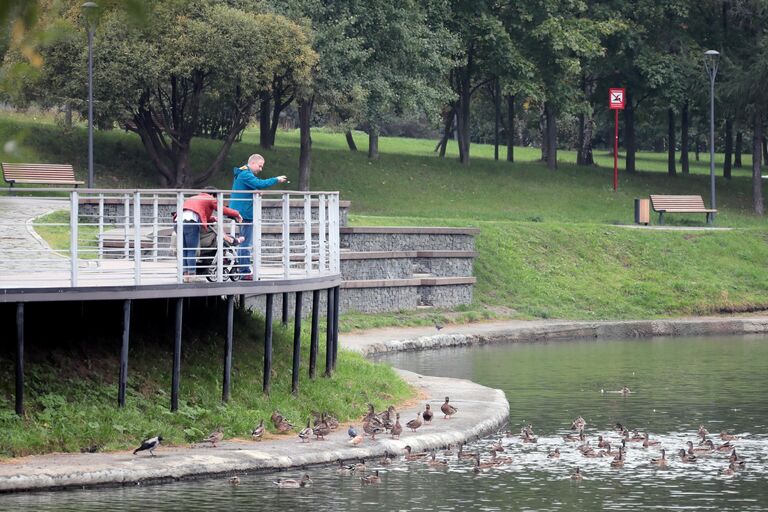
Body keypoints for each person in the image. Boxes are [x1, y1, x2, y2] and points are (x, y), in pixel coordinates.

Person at [229, 154, 288, 280]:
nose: (261, 169)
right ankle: (244, 271)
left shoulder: (242, 173)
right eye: (260, 166)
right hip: (245, 213)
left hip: (240, 211)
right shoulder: (245, 174)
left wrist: (255, 190)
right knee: (246, 242)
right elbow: (260, 183)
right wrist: (276, 179)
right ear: (253, 163)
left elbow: (252, 185)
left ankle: (241, 268)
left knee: (242, 241)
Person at [179, 188, 242, 282]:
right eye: (216, 198)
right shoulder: (209, 198)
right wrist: (237, 213)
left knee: (184, 250)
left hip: (178, 222)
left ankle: (185, 276)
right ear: (213, 195)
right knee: (191, 250)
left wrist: (212, 218)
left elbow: (200, 214)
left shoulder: (195, 198)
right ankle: (191, 276)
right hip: (190, 222)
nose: (216, 201)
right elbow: (222, 209)